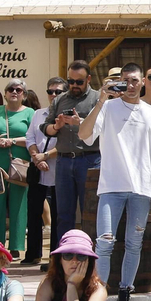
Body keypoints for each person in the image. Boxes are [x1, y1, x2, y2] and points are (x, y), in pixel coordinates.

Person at [79, 63, 151, 301]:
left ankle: (125, 298)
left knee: (134, 244)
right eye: (125, 80)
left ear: (143, 82)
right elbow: (84, 134)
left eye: (135, 80)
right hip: (111, 185)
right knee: (104, 243)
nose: (131, 85)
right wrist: (101, 99)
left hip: (142, 187)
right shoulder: (108, 107)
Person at [42, 60, 100, 242]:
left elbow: (104, 128)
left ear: (88, 79)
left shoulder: (98, 99)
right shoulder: (60, 99)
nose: (74, 86)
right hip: (64, 160)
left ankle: (90, 259)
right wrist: (57, 126)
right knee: (63, 214)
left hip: (90, 159)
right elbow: (45, 127)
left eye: (79, 82)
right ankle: (63, 258)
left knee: (90, 213)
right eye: (71, 82)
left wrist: (80, 122)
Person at [0, 79, 34, 259]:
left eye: (19, 89)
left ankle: (15, 245)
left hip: (19, 163)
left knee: (18, 204)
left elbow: (32, 138)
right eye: (10, 89)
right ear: (5, 93)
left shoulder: (30, 113)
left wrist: (13, 141)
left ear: (24, 94)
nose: (14, 92)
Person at [25, 76, 65, 255]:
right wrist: (36, 157)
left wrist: (46, 155)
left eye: (58, 91)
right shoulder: (38, 114)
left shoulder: (68, 115)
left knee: (57, 215)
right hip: (37, 170)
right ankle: (32, 254)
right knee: (33, 212)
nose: (54, 95)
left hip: (58, 170)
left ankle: (55, 255)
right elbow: (30, 137)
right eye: (50, 91)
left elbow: (66, 142)